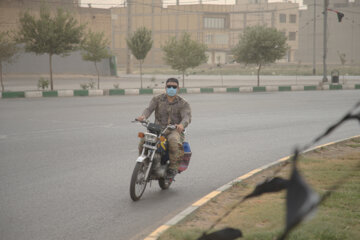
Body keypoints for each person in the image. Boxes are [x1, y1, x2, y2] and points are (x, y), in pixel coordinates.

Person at [137, 78, 191, 178]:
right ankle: (143, 162)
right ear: (165, 87)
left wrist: (181, 125)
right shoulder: (157, 99)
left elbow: (186, 117)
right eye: (169, 86)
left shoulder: (183, 103)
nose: (171, 88)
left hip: (173, 130)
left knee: (173, 141)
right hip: (157, 129)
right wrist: (143, 117)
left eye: (174, 87)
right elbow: (149, 109)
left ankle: (173, 168)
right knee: (143, 140)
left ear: (178, 88)